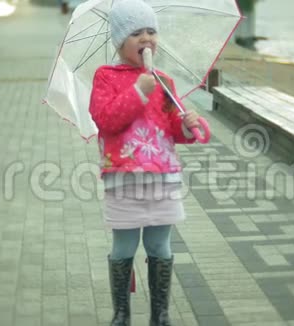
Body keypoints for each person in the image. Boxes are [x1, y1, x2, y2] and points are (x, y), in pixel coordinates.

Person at [88, 0, 202, 325]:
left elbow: (173, 128)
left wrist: (187, 125)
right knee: (124, 246)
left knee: (159, 245)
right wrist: (138, 91)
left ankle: (160, 314)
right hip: (123, 179)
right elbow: (105, 119)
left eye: (151, 31)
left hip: (162, 177)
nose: (146, 38)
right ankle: (122, 313)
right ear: (119, 40)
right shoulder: (105, 76)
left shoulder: (164, 79)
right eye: (136, 32)